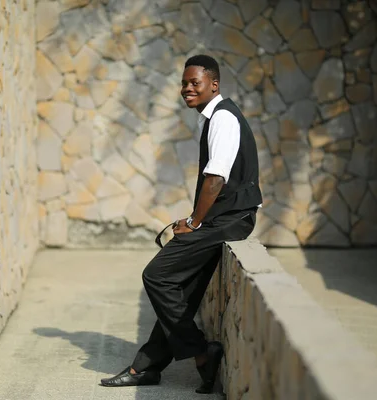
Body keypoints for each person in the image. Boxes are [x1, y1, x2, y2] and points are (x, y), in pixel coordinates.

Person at [100, 54, 263, 394]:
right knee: (182, 292)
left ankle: (202, 353)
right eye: (184, 83)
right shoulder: (217, 117)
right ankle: (146, 367)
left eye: (195, 83)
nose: (187, 88)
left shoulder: (223, 119)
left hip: (230, 220)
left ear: (213, 85)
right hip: (225, 218)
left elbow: (216, 179)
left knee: (156, 276)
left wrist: (194, 221)